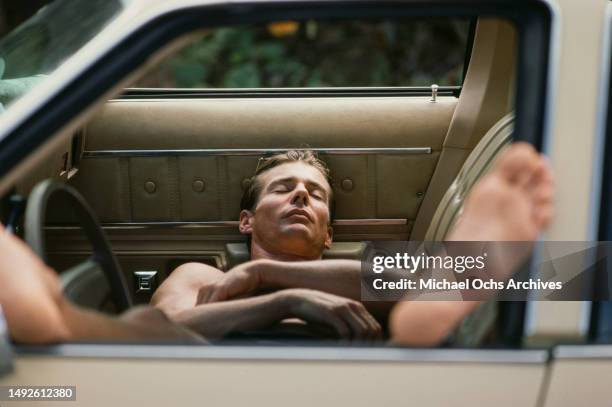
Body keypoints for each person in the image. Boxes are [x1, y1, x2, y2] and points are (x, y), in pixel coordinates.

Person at [0, 142, 553, 345]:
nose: (300, 199)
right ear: (246, 221)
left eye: (315, 195)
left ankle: (442, 301)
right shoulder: (200, 274)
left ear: (328, 232)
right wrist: (274, 296)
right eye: (283, 189)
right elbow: (163, 332)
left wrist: (272, 275)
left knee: (542, 271)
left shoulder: (361, 270)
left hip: (370, 373)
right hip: (223, 379)